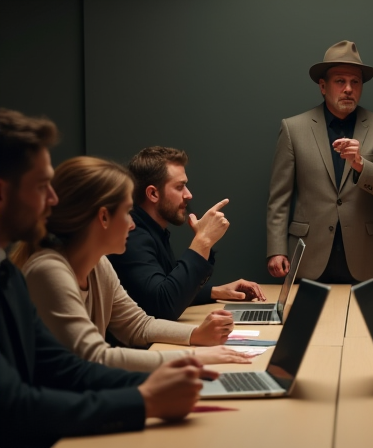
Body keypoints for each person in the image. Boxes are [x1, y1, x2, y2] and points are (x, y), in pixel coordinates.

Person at [0, 108, 217, 446]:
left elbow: (71, 366)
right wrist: (149, 397)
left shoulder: (10, 275)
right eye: (43, 185)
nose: (52, 199)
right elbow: (17, 405)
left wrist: (185, 360)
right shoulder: (45, 270)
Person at [14, 156, 254, 371]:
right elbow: (94, 357)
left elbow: (137, 325)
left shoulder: (98, 265)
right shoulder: (49, 270)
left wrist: (196, 335)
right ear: (104, 217)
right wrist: (196, 357)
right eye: (127, 212)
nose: (132, 223)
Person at [266, 40, 373, 283]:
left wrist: (362, 164)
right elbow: (280, 197)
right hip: (308, 255)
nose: (349, 89)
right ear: (323, 86)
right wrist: (277, 249)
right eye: (340, 81)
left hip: (366, 258)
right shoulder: (293, 128)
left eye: (355, 82)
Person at [108, 146, 265, 321]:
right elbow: (163, 306)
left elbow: (167, 285)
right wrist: (203, 240)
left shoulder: (153, 230)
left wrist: (217, 292)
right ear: (153, 193)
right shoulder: (132, 235)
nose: (188, 195)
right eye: (179, 187)